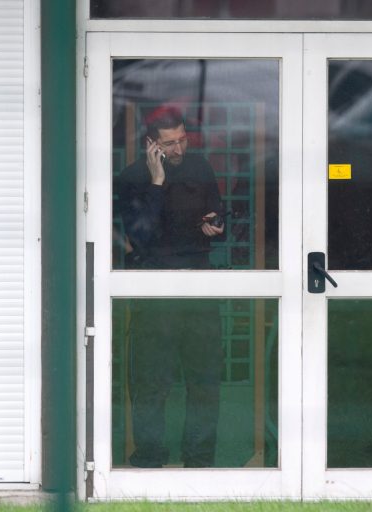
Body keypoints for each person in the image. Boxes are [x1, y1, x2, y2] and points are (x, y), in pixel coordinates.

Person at [115, 106, 225, 468]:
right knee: (150, 383)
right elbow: (140, 237)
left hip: (199, 285)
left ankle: (199, 461)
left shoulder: (201, 167)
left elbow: (217, 211)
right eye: (169, 144)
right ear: (152, 144)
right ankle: (148, 460)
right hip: (156, 289)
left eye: (182, 140)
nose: (178, 150)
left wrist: (216, 223)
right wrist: (158, 182)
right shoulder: (133, 177)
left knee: (205, 382)